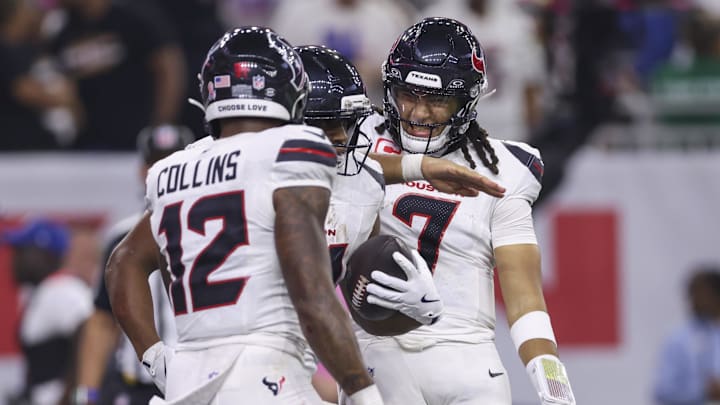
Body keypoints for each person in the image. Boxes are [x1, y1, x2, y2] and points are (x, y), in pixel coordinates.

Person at [104, 26, 385, 404]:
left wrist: (155, 357)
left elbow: (122, 262)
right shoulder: (292, 151)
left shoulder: (171, 170)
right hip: (266, 374)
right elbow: (310, 293)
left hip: (187, 379)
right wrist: (363, 391)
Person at [345, 17, 576, 404]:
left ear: (467, 102)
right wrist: (414, 168)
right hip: (378, 350)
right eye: (408, 94)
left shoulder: (505, 168)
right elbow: (326, 172)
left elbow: (525, 300)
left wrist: (555, 387)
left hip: (467, 357)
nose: (418, 113)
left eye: (436, 100)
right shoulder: (361, 140)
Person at [295, 45, 505, 403]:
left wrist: (418, 312)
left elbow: (355, 307)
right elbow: (312, 307)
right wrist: (160, 348)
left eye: (346, 123)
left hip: (284, 369)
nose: (342, 138)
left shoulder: (355, 188)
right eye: (324, 124)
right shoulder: (245, 184)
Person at [72, 125, 193, 405]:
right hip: (137, 386)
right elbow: (102, 320)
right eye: (156, 161)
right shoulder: (121, 237)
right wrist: (85, 396)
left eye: (172, 160)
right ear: (142, 171)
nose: (164, 170)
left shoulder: (213, 230)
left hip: (199, 381)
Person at [3, 218, 93, 405]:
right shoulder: (43, 291)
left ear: (44, 255)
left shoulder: (62, 289)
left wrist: (71, 394)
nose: (14, 259)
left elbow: (91, 331)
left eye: (22, 252)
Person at [654, 266, 720, 404]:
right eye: (690, 295)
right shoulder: (679, 339)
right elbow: (663, 390)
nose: (692, 301)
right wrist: (703, 391)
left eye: (699, 294)